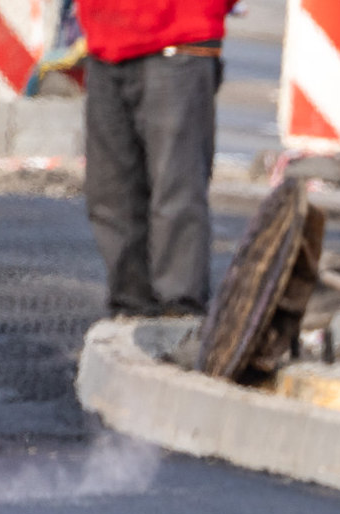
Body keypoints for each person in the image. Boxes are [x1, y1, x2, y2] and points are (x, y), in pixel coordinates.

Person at [75, 0, 233, 318]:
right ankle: (131, 306)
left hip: (181, 38)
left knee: (176, 189)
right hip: (106, 40)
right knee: (110, 193)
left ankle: (179, 310)